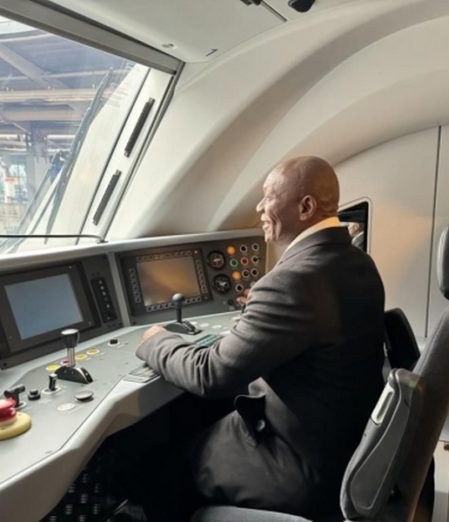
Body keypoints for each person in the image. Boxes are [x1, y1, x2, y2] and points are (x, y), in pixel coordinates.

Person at [134, 156, 386, 520]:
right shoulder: (358, 261)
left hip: (300, 464)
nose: (259, 207)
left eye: (268, 197)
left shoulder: (293, 282)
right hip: (344, 447)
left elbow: (211, 373)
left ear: (305, 207)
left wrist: (154, 340)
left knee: (161, 466)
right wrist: (262, 307)